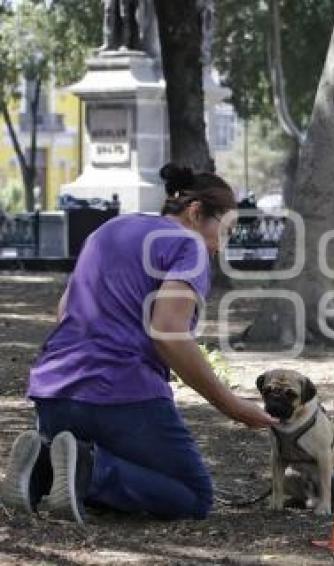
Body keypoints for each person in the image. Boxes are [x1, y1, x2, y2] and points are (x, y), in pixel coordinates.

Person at [0, 164, 277, 524]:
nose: (219, 247)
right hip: (122, 394)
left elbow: (65, 309)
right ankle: (86, 467)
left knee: (120, 464)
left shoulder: (109, 230)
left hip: (53, 394)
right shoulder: (188, 244)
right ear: (196, 213)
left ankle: (43, 465)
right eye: (224, 232)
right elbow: (168, 332)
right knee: (193, 495)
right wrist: (234, 407)